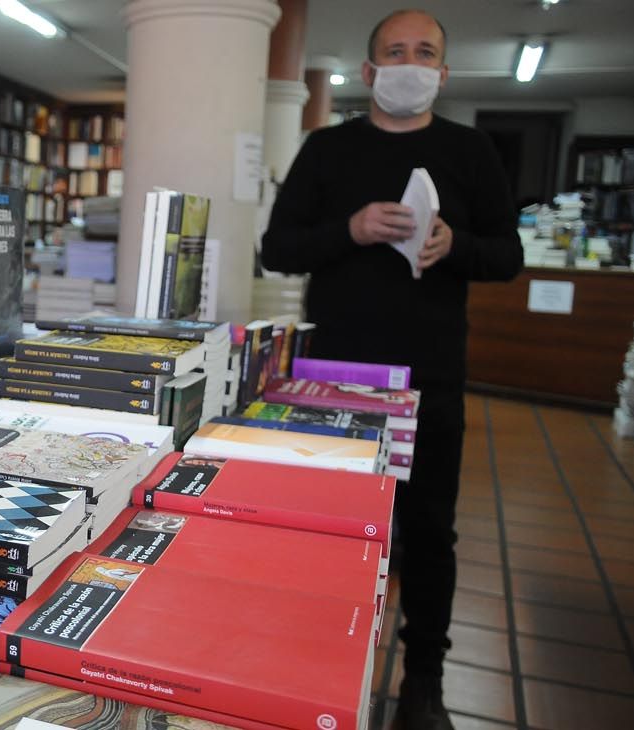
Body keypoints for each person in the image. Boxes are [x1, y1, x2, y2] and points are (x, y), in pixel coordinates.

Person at [260, 9, 523, 730]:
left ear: (443, 72)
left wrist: (454, 243)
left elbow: (508, 256)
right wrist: (349, 231)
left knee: (431, 530)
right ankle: (310, 655)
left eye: (426, 52)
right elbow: (277, 247)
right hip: (333, 373)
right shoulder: (326, 148)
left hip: (431, 374)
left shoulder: (470, 152)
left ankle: (424, 681)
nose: (410, 63)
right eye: (394, 52)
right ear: (370, 70)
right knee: (324, 524)